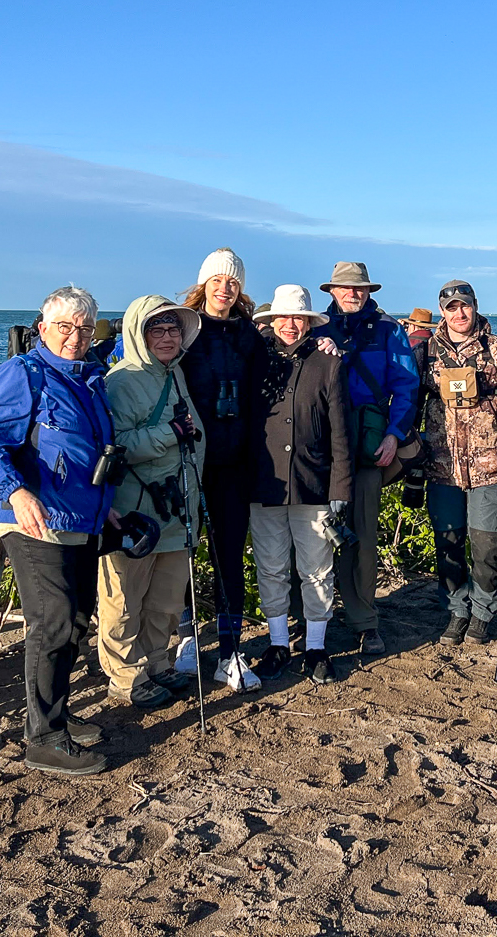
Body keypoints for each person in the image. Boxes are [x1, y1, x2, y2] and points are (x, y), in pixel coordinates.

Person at [0, 286, 116, 776]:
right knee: (52, 619)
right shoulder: (23, 373)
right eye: (65, 327)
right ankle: (44, 739)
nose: (75, 336)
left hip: (80, 518)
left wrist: (105, 508)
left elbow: (89, 457)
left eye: (85, 328)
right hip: (33, 518)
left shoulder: (92, 379)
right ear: (43, 327)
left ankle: (56, 714)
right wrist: (15, 492)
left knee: (74, 620)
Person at [98, 296, 210, 709]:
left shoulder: (175, 372)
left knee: (165, 597)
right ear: (137, 334)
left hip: (177, 506)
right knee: (124, 596)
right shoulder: (120, 381)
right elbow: (114, 445)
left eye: (173, 329)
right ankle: (126, 677)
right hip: (135, 509)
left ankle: (157, 662)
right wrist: (169, 433)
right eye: (157, 330)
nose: (167, 337)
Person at [414, 280, 497, 646]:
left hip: (488, 465)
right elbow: (409, 400)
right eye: (451, 308)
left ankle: (483, 611)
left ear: (475, 306)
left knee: (486, 546)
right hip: (441, 465)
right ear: (442, 312)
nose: (459, 313)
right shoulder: (426, 353)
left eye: (464, 305)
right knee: (448, 544)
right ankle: (456, 609)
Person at [249, 285, 351, 684]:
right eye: (283, 317)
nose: (290, 325)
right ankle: (277, 643)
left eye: (298, 318)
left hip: (313, 482)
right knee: (271, 567)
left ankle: (316, 647)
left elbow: (340, 432)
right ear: (272, 321)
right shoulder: (254, 359)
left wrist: (340, 489)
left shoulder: (328, 362)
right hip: (265, 482)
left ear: (309, 322)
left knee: (317, 570)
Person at [318, 262, 420, 656]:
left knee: (361, 536)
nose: (352, 293)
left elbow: (406, 387)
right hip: (320, 447)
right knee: (312, 538)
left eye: (359, 288)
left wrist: (395, 435)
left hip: (367, 446)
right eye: (345, 288)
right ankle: (312, 619)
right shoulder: (314, 326)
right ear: (332, 290)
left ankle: (364, 620)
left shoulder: (390, 329)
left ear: (368, 291)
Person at [179, 248, 266, 691]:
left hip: (235, 461)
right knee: (182, 552)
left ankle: (230, 650)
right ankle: (185, 640)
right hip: (190, 459)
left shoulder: (251, 335)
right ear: (204, 284)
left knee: (230, 556)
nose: (225, 287)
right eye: (217, 280)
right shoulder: (183, 330)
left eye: (232, 281)